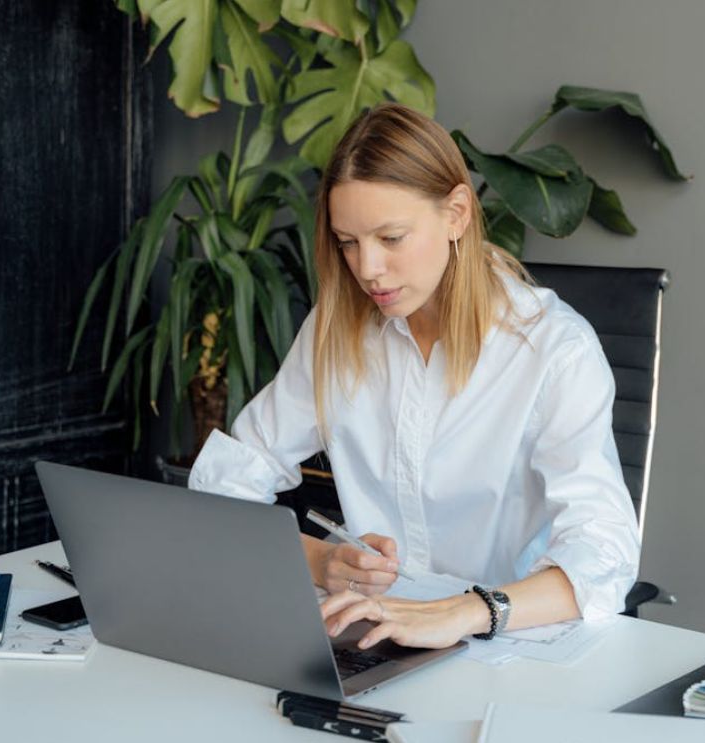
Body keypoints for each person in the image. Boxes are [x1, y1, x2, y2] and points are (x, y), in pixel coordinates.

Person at [188, 102, 639, 651]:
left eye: (391, 238)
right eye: (348, 243)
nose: (368, 268)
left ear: (456, 214)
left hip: (508, 644)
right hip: (368, 635)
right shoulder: (337, 332)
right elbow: (229, 479)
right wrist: (322, 560)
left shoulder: (554, 351)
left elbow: (603, 553)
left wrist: (463, 612)